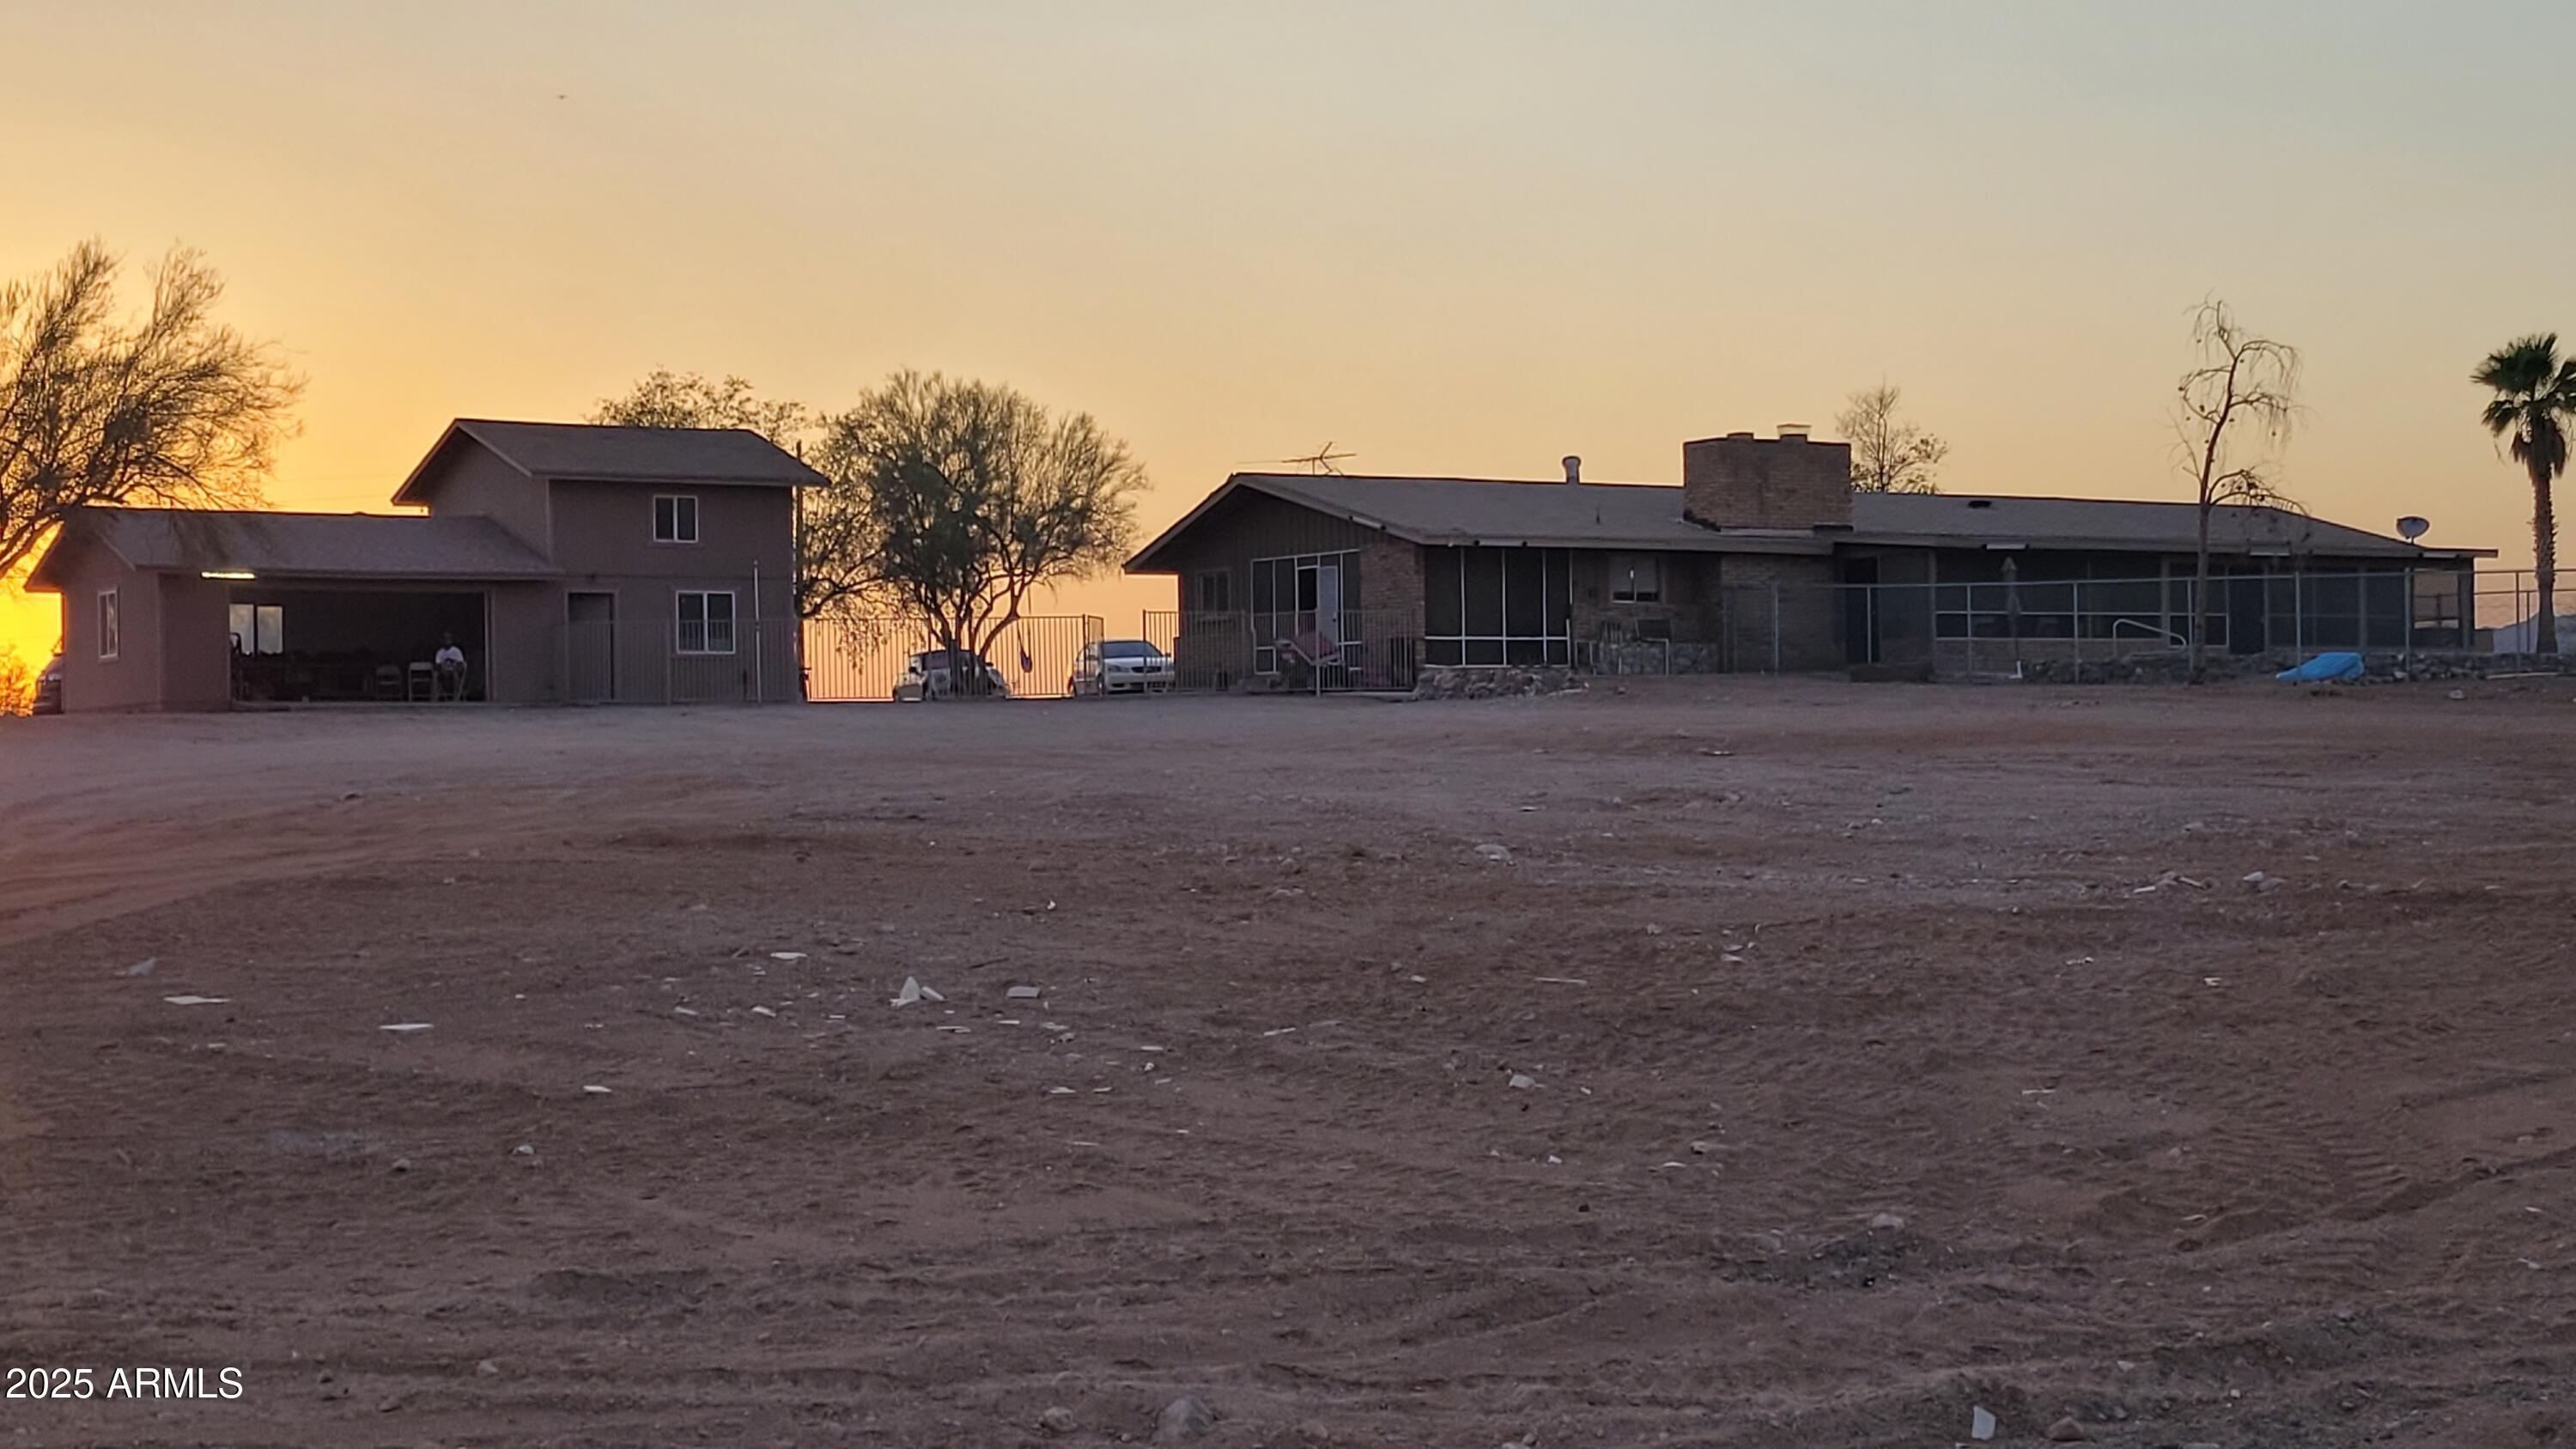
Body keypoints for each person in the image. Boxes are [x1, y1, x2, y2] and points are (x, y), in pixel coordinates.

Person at [433, 633, 467, 701]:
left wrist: (454, 668)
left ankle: (456, 697)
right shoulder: (440, 652)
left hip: (454, 671)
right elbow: (437, 665)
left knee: (455, 675)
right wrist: (442, 669)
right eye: (445, 639)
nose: (446, 641)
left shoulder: (456, 651)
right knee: (435, 674)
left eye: (448, 639)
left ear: (451, 640)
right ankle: (435, 696)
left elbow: (461, 664)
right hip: (443, 672)